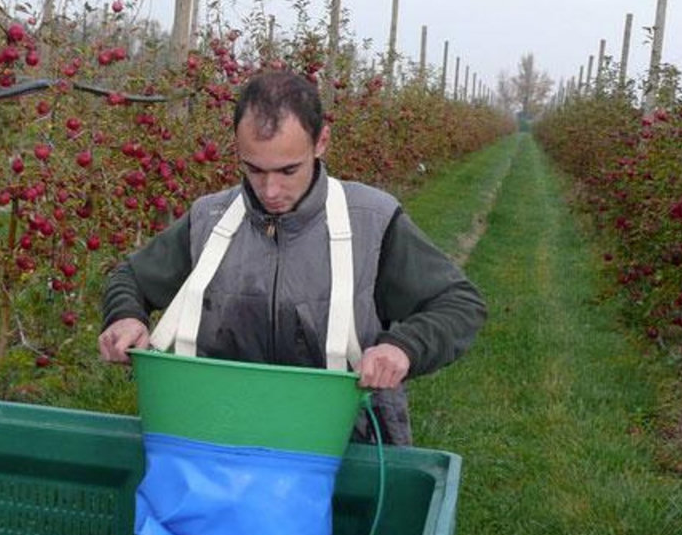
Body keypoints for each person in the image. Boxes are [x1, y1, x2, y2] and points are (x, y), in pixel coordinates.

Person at [97, 68, 486, 444]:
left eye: (288, 170)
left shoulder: (373, 222)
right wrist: (126, 317)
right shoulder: (210, 220)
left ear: (321, 142)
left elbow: (459, 303)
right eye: (253, 169)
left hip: (343, 446)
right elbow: (128, 277)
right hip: (217, 436)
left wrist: (404, 346)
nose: (269, 190)